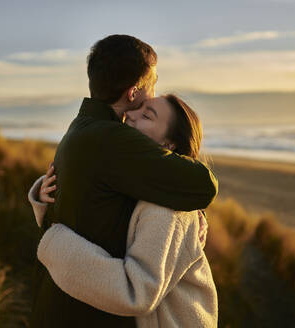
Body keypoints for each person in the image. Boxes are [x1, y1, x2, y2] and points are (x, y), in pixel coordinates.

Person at [29, 35, 218, 327]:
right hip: (82, 315)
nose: (153, 91)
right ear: (133, 93)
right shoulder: (112, 140)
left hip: (62, 307)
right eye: (153, 82)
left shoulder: (80, 129)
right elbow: (203, 185)